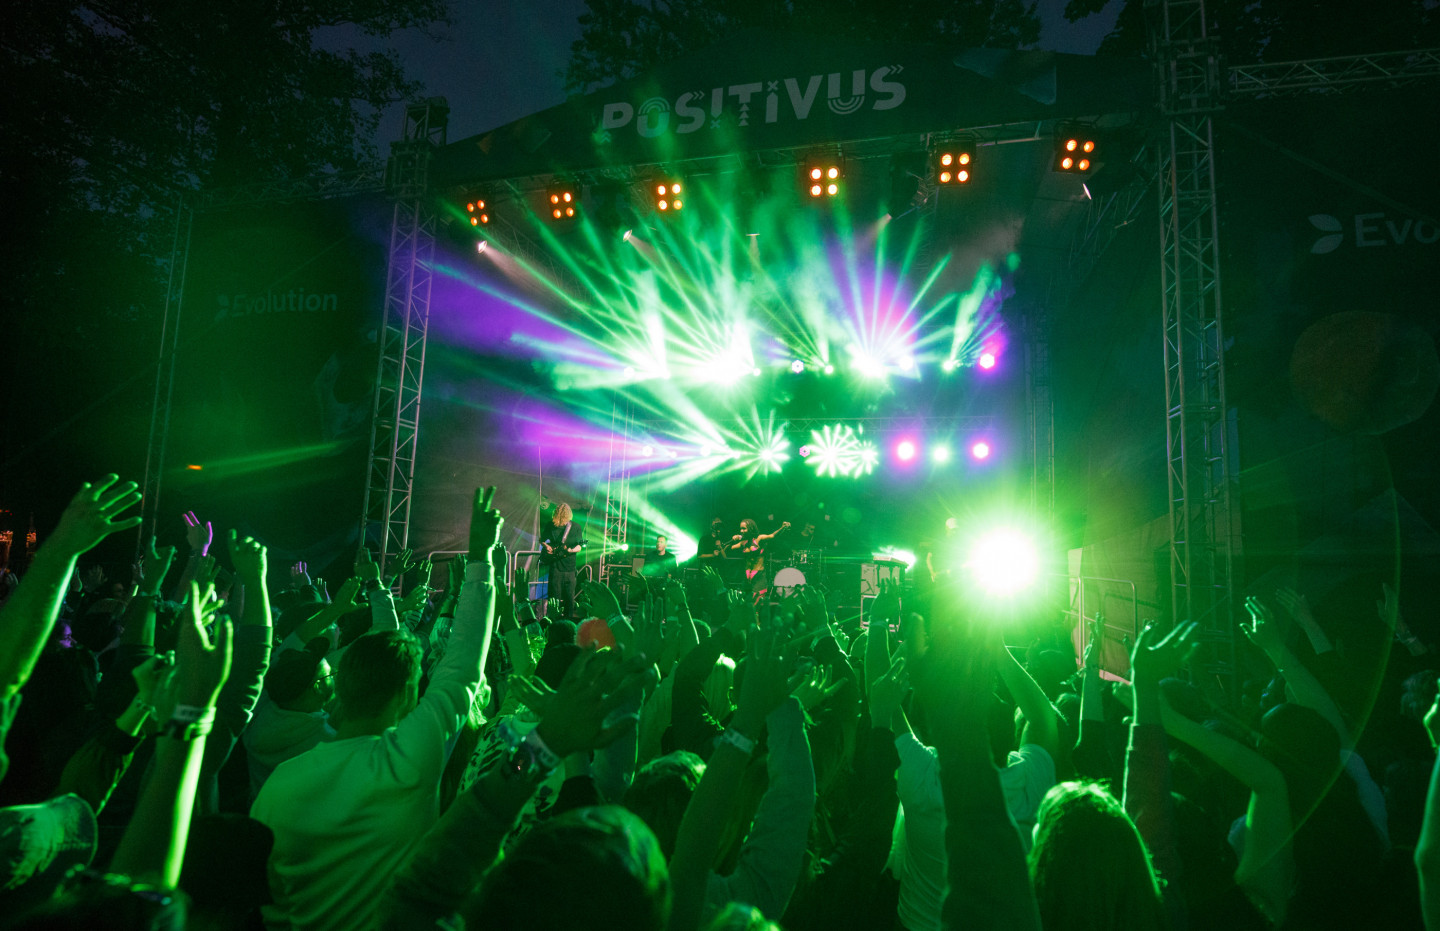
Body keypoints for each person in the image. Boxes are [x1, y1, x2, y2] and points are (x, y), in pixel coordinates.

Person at [728, 519, 790, 601]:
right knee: (745, 601)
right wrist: (732, 540)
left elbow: (772, 536)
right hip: (746, 575)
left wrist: (782, 528)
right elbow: (729, 549)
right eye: (741, 529)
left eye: (744, 528)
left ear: (751, 528)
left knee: (757, 601)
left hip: (758, 574)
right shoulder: (743, 542)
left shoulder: (759, 538)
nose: (741, 531)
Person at [541, 503, 582, 620]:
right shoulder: (551, 525)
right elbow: (542, 540)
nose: (562, 521)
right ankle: (554, 622)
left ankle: (568, 622)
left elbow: (580, 546)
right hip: (555, 567)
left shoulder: (575, 527)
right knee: (554, 598)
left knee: (570, 599)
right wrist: (547, 546)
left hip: (570, 567)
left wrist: (571, 550)